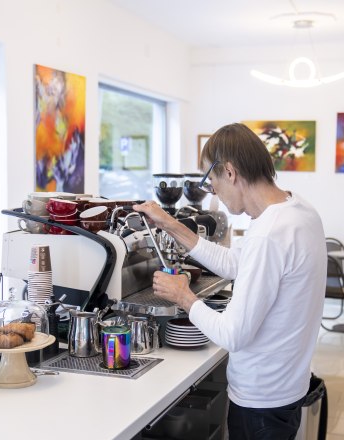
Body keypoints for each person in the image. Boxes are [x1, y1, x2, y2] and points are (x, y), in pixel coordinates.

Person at [134, 122, 326, 440]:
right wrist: (169, 224)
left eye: (213, 184)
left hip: (261, 400)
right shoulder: (298, 210)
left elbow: (233, 334)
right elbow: (236, 263)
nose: (217, 197)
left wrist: (184, 296)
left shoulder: (269, 233)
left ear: (230, 172)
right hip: (287, 386)